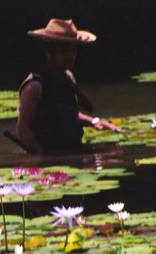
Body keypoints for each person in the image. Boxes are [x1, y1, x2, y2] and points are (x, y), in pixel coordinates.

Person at [16, 18, 120, 155]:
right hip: (48, 156)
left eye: (73, 51)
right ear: (49, 52)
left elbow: (68, 114)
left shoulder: (68, 78)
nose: (70, 56)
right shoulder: (35, 86)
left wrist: (94, 121)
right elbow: (23, 130)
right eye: (64, 50)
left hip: (72, 151)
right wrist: (41, 158)